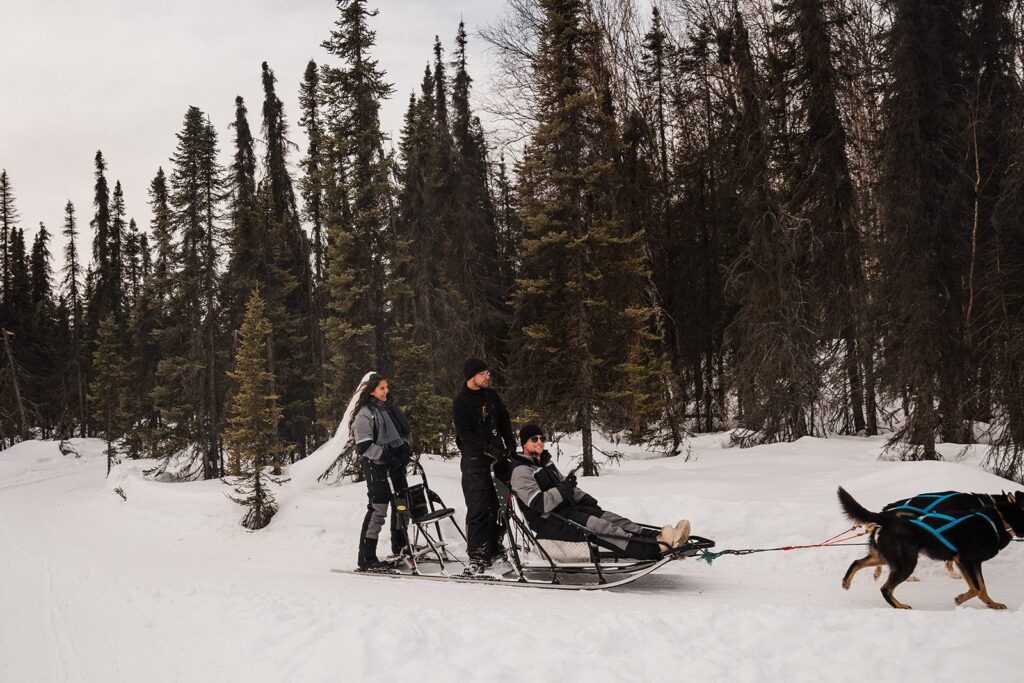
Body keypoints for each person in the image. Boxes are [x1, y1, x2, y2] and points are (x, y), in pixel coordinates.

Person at [508, 424, 690, 559]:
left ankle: (661, 538)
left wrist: (585, 498)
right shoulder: (521, 471)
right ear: (524, 443)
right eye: (534, 439)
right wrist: (565, 490)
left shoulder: (545, 462)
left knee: (614, 519)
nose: (539, 442)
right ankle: (654, 549)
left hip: (566, 512)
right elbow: (540, 503)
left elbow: (566, 486)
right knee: (600, 528)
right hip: (548, 521)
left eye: (542, 438)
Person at [452, 357, 517, 574]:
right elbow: (465, 434)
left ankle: (495, 547)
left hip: (497, 460)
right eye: (483, 374)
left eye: (488, 372)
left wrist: (510, 442)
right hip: (475, 463)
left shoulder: (490, 395)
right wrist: (486, 449)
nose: (487, 376)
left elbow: (504, 419)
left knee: (500, 507)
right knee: (479, 508)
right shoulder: (461, 401)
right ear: (472, 377)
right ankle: (478, 555)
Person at [350, 373, 414, 571]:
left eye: (387, 387)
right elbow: (363, 446)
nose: (386, 391)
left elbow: (404, 433)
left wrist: (403, 449)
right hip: (375, 465)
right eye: (381, 388)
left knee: (402, 504)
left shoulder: (390, 410)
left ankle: (401, 547)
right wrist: (387, 456)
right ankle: (367, 557)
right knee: (378, 509)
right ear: (371, 391)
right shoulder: (364, 414)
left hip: (395, 465)